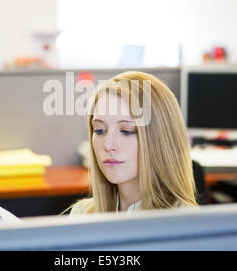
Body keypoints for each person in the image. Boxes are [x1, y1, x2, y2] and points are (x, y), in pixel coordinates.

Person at [68, 71, 198, 215]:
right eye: (99, 130)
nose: (108, 145)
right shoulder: (82, 214)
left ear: (159, 140)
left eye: (126, 131)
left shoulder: (185, 223)